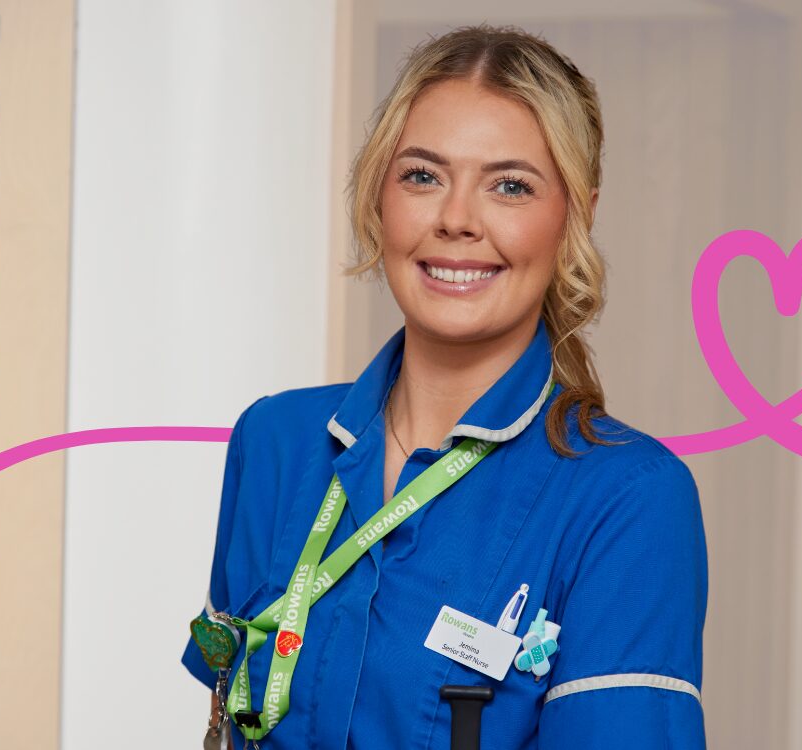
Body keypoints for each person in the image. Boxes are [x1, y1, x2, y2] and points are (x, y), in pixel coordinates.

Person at [183, 24, 708, 749]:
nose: (457, 220)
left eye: (510, 186)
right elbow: (228, 719)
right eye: (423, 176)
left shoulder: (629, 500)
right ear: (378, 196)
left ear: (576, 217)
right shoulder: (273, 444)